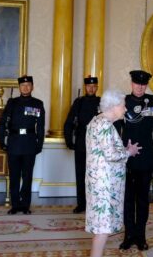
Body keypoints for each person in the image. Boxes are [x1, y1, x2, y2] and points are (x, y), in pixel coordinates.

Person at [85, 89, 141, 257]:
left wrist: (123, 150)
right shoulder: (104, 125)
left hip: (99, 182)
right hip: (104, 186)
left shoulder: (97, 121)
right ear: (114, 106)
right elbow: (110, 155)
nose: (125, 109)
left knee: (101, 228)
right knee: (103, 228)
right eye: (123, 106)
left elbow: (103, 152)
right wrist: (129, 152)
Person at [119, 70, 153, 251]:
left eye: (143, 84)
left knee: (143, 200)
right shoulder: (123, 102)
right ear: (131, 83)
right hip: (127, 158)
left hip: (146, 159)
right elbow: (116, 130)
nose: (140, 87)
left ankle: (141, 236)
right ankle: (129, 235)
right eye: (137, 84)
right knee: (127, 199)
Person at [0, 75, 45, 215]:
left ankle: (25, 205)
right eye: (22, 85)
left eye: (28, 85)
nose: (25, 87)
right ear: (19, 87)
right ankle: (15, 205)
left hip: (30, 143)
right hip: (14, 142)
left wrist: (39, 144)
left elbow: (41, 126)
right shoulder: (12, 103)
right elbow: (3, 123)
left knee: (27, 176)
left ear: (32, 87)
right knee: (14, 176)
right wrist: (3, 141)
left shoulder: (38, 103)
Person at [64, 75, 101, 214]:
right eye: (88, 86)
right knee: (80, 175)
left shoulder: (102, 102)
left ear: (97, 87)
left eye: (93, 86)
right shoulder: (78, 102)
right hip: (81, 142)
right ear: (85, 87)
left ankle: (95, 204)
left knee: (96, 176)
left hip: (98, 145)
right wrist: (69, 141)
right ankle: (81, 204)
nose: (91, 88)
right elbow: (68, 122)